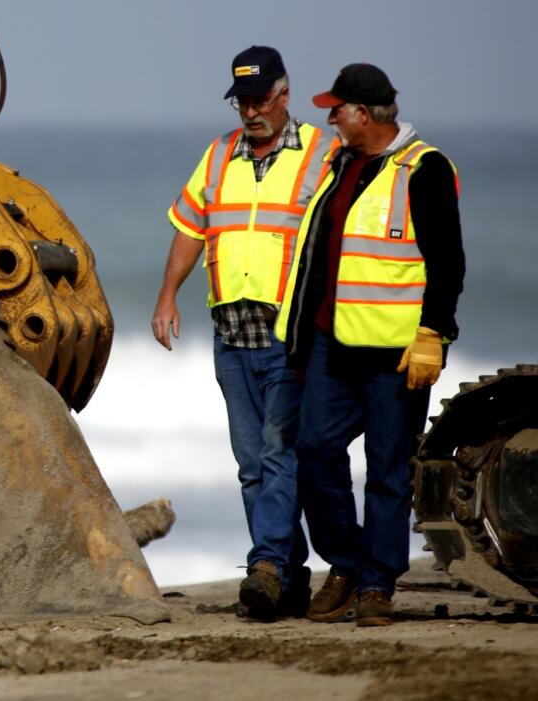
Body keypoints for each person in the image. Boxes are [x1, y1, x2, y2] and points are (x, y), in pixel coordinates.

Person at [274, 63, 465, 626]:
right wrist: (303, 340)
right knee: (314, 453)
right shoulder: (341, 163)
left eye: (337, 108)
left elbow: (448, 262)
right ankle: (347, 563)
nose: (328, 117)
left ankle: (378, 584)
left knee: (386, 470)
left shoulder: (423, 169)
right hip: (333, 345)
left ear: (364, 114)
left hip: (395, 352)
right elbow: (318, 257)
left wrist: (435, 332)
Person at [153, 46, 337, 620]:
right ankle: (290, 577)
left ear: (284, 95)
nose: (250, 112)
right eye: (242, 102)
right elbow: (190, 228)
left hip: (289, 334)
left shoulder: (321, 154)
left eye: (260, 100)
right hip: (231, 335)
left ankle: (265, 566)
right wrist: (166, 297)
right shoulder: (217, 157)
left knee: (280, 455)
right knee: (252, 463)